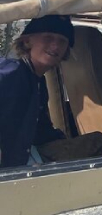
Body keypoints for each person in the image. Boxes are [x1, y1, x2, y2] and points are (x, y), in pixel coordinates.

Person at [0, 15, 73, 168]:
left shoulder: (37, 81)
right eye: (48, 38)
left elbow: (41, 130)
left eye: (62, 41)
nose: (55, 46)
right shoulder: (12, 74)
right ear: (27, 41)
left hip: (24, 157)